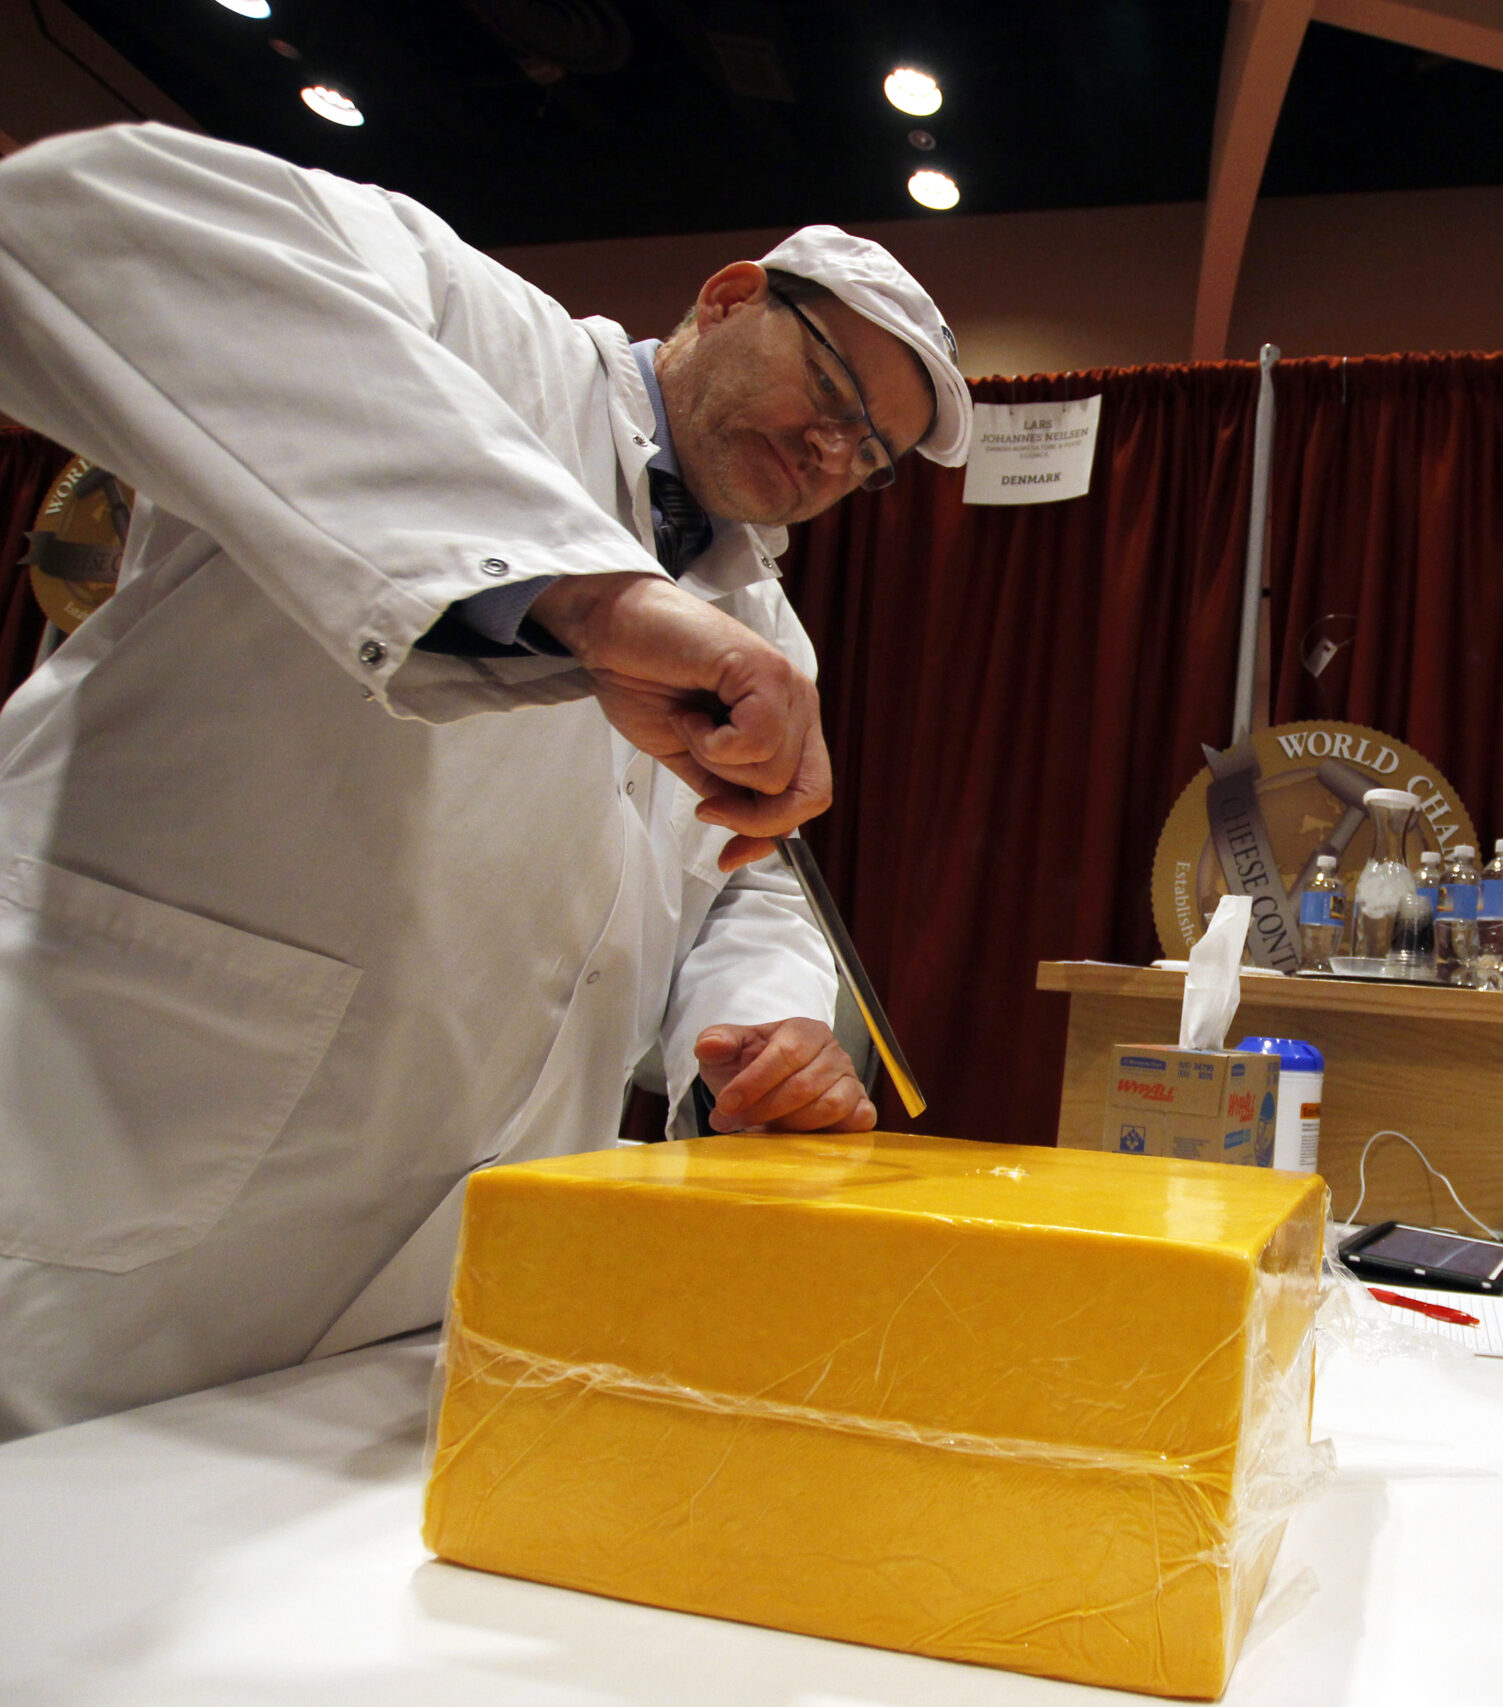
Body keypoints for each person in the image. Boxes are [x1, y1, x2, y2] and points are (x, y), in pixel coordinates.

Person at [0, 122, 972, 1437]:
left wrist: (764, 1029)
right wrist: (576, 593)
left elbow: (744, 879)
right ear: (731, 295)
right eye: (834, 395)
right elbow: (68, 210)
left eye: (870, 455)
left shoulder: (768, 631)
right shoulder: (463, 324)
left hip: (449, 1285)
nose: (833, 454)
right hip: (125, 1175)